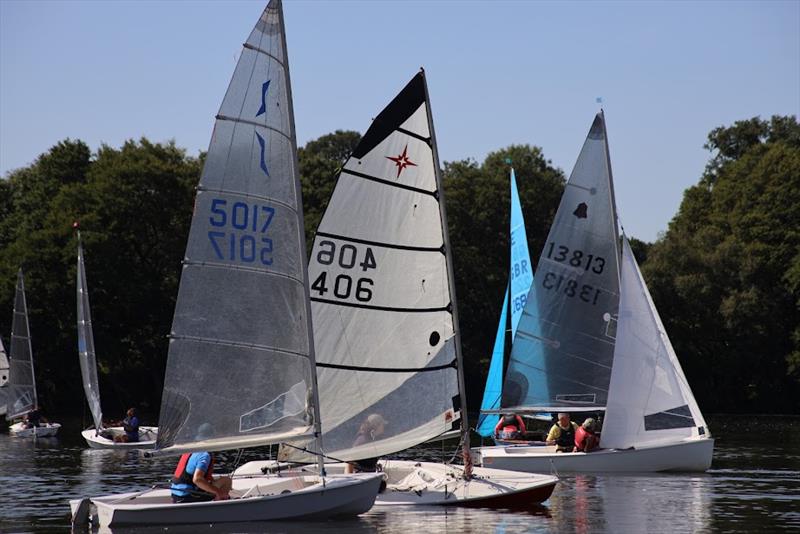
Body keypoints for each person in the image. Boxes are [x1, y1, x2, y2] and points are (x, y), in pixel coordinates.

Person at [170, 424, 232, 503]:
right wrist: (219, 492)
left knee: (218, 481)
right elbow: (197, 479)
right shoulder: (204, 455)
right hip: (188, 497)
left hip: (176, 496)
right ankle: (220, 502)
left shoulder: (191, 450)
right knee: (226, 481)